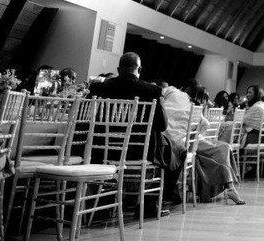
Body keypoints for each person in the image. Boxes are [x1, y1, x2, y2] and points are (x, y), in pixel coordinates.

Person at [90, 52, 182, 207]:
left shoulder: (99, 87)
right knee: (179, 150)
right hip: (139, 151)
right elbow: (162, 125)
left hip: (102, 149)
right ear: (139, 69)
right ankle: (153, 203)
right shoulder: (151, 90)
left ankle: (106, 200)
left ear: (118, 69)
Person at [159, 82, 245, 204]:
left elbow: (159, 94)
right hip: (184, 144)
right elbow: (205, 124)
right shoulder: (192, 106)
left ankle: (229, 186)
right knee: (223, 148)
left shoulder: (172, 92)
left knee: (223, 148)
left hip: (175, 141)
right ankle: (230, 186)